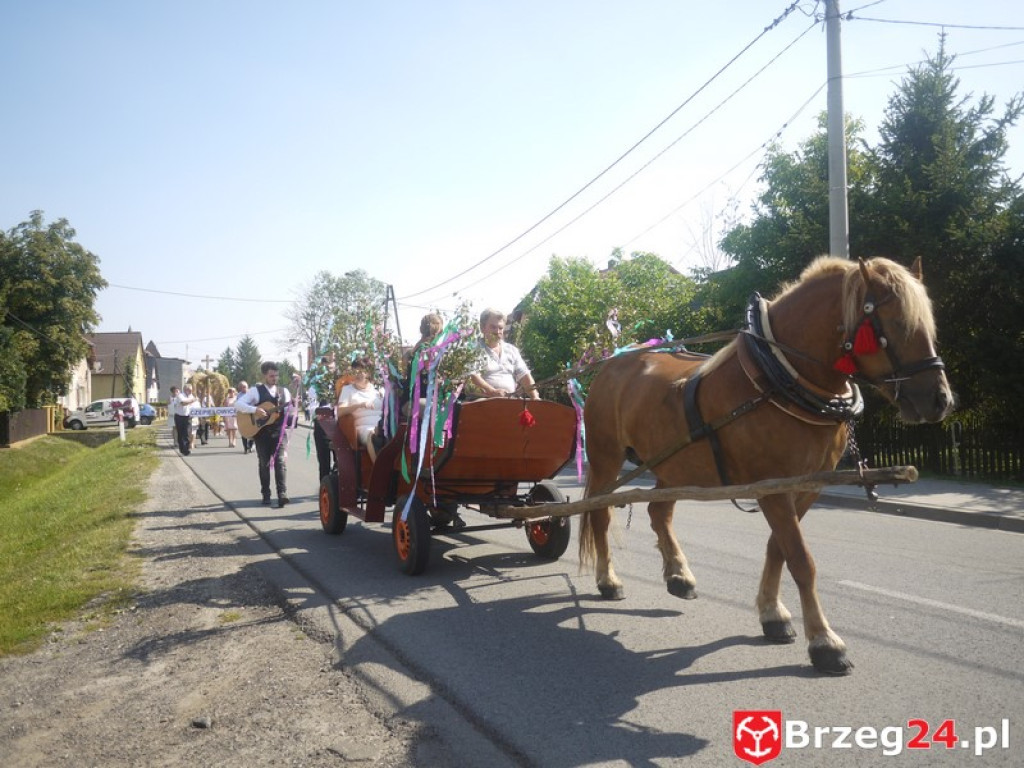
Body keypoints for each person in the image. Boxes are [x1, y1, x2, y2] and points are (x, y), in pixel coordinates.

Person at [234, 362, 293, 507]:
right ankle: (266, 494)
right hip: (262, 433)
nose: (275, 378)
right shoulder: (256, 391)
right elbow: (238, 404)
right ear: (265, 375)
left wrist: (293, 408)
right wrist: (255, 410)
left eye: (276, 375)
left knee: (280, 462)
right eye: (271, 376)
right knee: (264, 463)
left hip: (279, 432)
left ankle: (282, 494)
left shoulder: (284, 392)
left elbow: (288, 411)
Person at [469, 308, 541, 400]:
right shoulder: (473, 349)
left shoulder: (511, 350)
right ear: (482, 327)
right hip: (481, 401)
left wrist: (535, 397)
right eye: (493, 327)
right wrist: (492, 392)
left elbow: (524, 375)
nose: (497, 332)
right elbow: (473, 376)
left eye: (500, 328)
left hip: (509, 401)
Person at [337, 357, 384, 461]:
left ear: (368, 373)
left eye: (360, 371)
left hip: (381, 424)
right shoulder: (347, 390)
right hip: (363, 427)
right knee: (372, 434)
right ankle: (378, 468)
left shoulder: (378, 390)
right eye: (355, 372)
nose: (356, 375)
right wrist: (360, 405)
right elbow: (340, 412)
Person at [404, 312, 443, 410]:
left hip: (412, 398)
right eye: (441, 331)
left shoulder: (413, 350)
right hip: (417, 400)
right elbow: (432, 378)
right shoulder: (426, 351)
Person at [311, 356, 338, 481]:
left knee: (341, 460)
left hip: (339, 427)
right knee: (324, 462)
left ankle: (339, 486)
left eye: (331, 368)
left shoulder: (340, 384)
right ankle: (325, 487)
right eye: (326, 369)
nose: (328, 372)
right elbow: (312, 408)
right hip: (322, 427)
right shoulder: (316, 387)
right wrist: (326, 409)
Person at [169, 384, 196, 455]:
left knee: (188, 432)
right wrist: (192, 401)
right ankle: (183, 449)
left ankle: (186, 448)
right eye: (189, 390)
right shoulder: (180, 396)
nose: (190, 391)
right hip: (179, 416)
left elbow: (194, 406)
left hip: (188, 417)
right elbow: (183, 403)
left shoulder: (191, 396)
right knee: (181, 433)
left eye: (191, 390)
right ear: (185, 390)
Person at [237, 381, 254, 454]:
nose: (243, 388)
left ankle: (250, 445)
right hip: (243, 415)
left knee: (253, 431)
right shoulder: (239, 395)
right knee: (243, 431)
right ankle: (245, 448)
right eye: (241, 387)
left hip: (251, 414)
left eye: (244, 387)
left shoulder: (252, 393)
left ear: (247, 387)